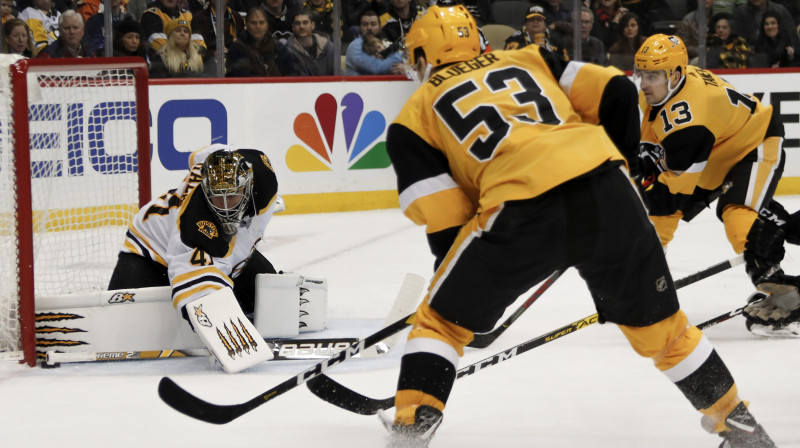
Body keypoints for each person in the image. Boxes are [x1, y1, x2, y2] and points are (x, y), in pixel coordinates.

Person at [384, 6, 775, 448]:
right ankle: (740, 427)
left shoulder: (411, 119)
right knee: (667, 333)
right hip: (609, 192)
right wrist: (623, 165)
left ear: (420, 56)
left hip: (518, 210)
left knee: (438, 324)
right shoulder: (532, 58)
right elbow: (617, 92)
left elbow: (445, 219)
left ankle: (413, 425)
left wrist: (467, 298)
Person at [633, 34, 800, 338]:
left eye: (652, 75)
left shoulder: (690, 120)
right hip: (715, 152)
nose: (644, 82)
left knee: (736, 215)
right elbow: (650, 139)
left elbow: (669, 201)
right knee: (764, 221)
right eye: (641, 73)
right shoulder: (665, 89)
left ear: (676, 74)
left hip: (753, 145)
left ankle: (788, 293)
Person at [107, 145, 281, 364]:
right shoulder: (195, 226)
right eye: (218, 198)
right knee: (120, 323)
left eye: (233, 196)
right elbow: (198, 296)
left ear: (247, 185)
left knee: (268, 300)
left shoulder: (261, 174)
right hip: (150, 251)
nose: (226, 207)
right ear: (206, 190)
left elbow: (207, 154)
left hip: (227, 249)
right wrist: (221, 335)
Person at [226, 5, 299, 76]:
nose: (258, 26)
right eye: (253, 23)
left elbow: (291, 72)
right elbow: (237, 75)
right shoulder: (237, 49)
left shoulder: (279, 48)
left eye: (261, 22)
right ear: (247, 25)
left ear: (267, 25)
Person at [344, 9, 403, 75]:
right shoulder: (355, 46)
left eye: (373, 24)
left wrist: (403, 67)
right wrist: (401, 56)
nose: (369, 28)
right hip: (359, 85)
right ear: (360, 28)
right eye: (365, 24)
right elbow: (376, 68)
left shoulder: (382, 43)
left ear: (380, 27)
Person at [149, 18, 213, 77]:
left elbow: (212, 74)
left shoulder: (201, 52)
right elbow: (160, 80)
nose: (182, 33)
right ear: (170, 35)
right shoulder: (162, 56)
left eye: (186, 31)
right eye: (178, 31)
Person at [504, 5, 570, 60]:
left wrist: (547, 51)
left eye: (539, 19)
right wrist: (533, 50)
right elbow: (509, 61)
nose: (535, 22)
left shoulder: (554, 39)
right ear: (526, 23)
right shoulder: (515, 39)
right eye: (531, 19)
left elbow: (565, 62)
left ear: (545, 24)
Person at [286, 9, 336, 75]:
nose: (301, 26)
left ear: (312, 25)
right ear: (293, 27)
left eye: (305, 22)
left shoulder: (329, 47)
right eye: (297, 23)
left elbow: (338, 75)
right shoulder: (287, 52)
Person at [733, 0, 798, 47]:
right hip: (750, 57)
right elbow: (736, 40)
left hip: (779, 55)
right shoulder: (740, 13)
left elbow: (792, 37)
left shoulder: (780, 10)